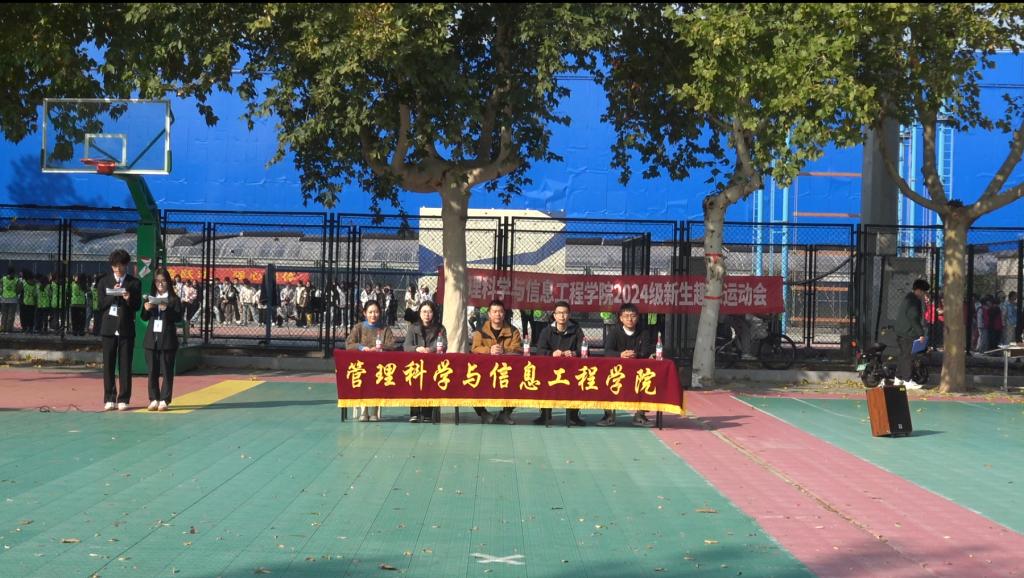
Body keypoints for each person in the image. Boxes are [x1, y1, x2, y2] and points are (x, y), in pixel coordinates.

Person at [599, 303, 655, 427]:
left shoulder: (644, 332)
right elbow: (607, 351)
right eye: (626, 316)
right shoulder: (614, 332)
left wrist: (635, 355)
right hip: (617, 371)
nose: (630, 319)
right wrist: (620, 355)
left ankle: (640, 415)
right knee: (603, 378)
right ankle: (608, 415)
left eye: (633, 316)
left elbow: (646, 352)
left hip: (637, 371)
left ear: (637, 317)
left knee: (648, 379)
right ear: (621, 318)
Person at [99, 249, 142, 410]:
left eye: (121, 265)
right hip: (108, 328)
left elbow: (137, 306)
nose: (118, 269)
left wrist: (128, 298)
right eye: (115, 266)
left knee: (125, 365)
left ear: (126, 265)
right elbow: (100, 304)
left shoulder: (134, 283)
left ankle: (123, 398)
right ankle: (109, 397)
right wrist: (113, 294)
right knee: (108, 364)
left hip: (126, 328)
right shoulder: (104, 282)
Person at [471, 299, 522, 425]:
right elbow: (475, 348)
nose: (497, 314)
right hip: (485, 370)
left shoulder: (513, 331)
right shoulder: (480, 330)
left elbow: (518, 349)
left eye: (500, 311)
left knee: (520, 382)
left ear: (504, 314)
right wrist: (489, 350)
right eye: (494, 311)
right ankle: (483, 413)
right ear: (489, 314)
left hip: (507, 370)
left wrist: (504, 350)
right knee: (472, 382)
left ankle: (506, 413)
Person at [535, 301, 586, 426]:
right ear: (554, 315)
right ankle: (545, 414)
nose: (562, 316)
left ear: (569, 315)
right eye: (559, 313)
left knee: (580, 379)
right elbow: (540, 350)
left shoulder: (577, 330)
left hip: (571, 369)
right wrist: (551, 354)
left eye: (565, 313)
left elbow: (585, 350)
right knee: (542, 378)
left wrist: (574, 353)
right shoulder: (547, 331)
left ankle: (573, 415)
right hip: (550, 369)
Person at [345, 300, 395, 421]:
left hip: (379, 365)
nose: (373, 315)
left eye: (376, 312)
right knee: (363, 377)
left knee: (378, 378)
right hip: (362, 365)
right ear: (365, 313)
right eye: (370, 312)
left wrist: (380, 347)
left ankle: (374, 411)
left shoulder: (385, 329)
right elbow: (349, 344)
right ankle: (364, 410)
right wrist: (362, 348)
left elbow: (392, 345)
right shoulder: (358, 327)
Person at [141, 268, 183, 411]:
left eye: (163, 281)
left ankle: (165, 399)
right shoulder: (150, 297)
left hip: (167, 339)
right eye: (157, 281)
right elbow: (144, 317)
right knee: (152, 371)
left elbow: (178, 318)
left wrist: (167, 309)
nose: (160, 284)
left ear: (168, 282)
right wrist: (146, 308)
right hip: (151, 339)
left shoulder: (174, 299)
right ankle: (153, 398)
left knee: (167, 370)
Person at [403, 301, 447, 423]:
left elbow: (443, 345)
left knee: (431, 380)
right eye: (424, 312)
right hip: (416, 364)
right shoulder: (413, 327)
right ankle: (414, 412)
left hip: (433, 364)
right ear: (419, 313)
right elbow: (406, 346)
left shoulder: (440, 328)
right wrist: (417, 348)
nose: (427, 315)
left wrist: (430, 350)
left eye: (430, 312)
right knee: (414, 379)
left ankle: (427, 413)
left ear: (434, 313)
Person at [894, 279, 929, 390]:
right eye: (923, 292)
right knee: (908, 357)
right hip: (908, 333)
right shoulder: (913, 300)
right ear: (919, 290)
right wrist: (921, 333)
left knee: (903, 356)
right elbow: (913, 317)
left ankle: (898, 378)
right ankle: (907, 380)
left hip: (901, 332)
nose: (924, 294)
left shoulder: (908, 298)